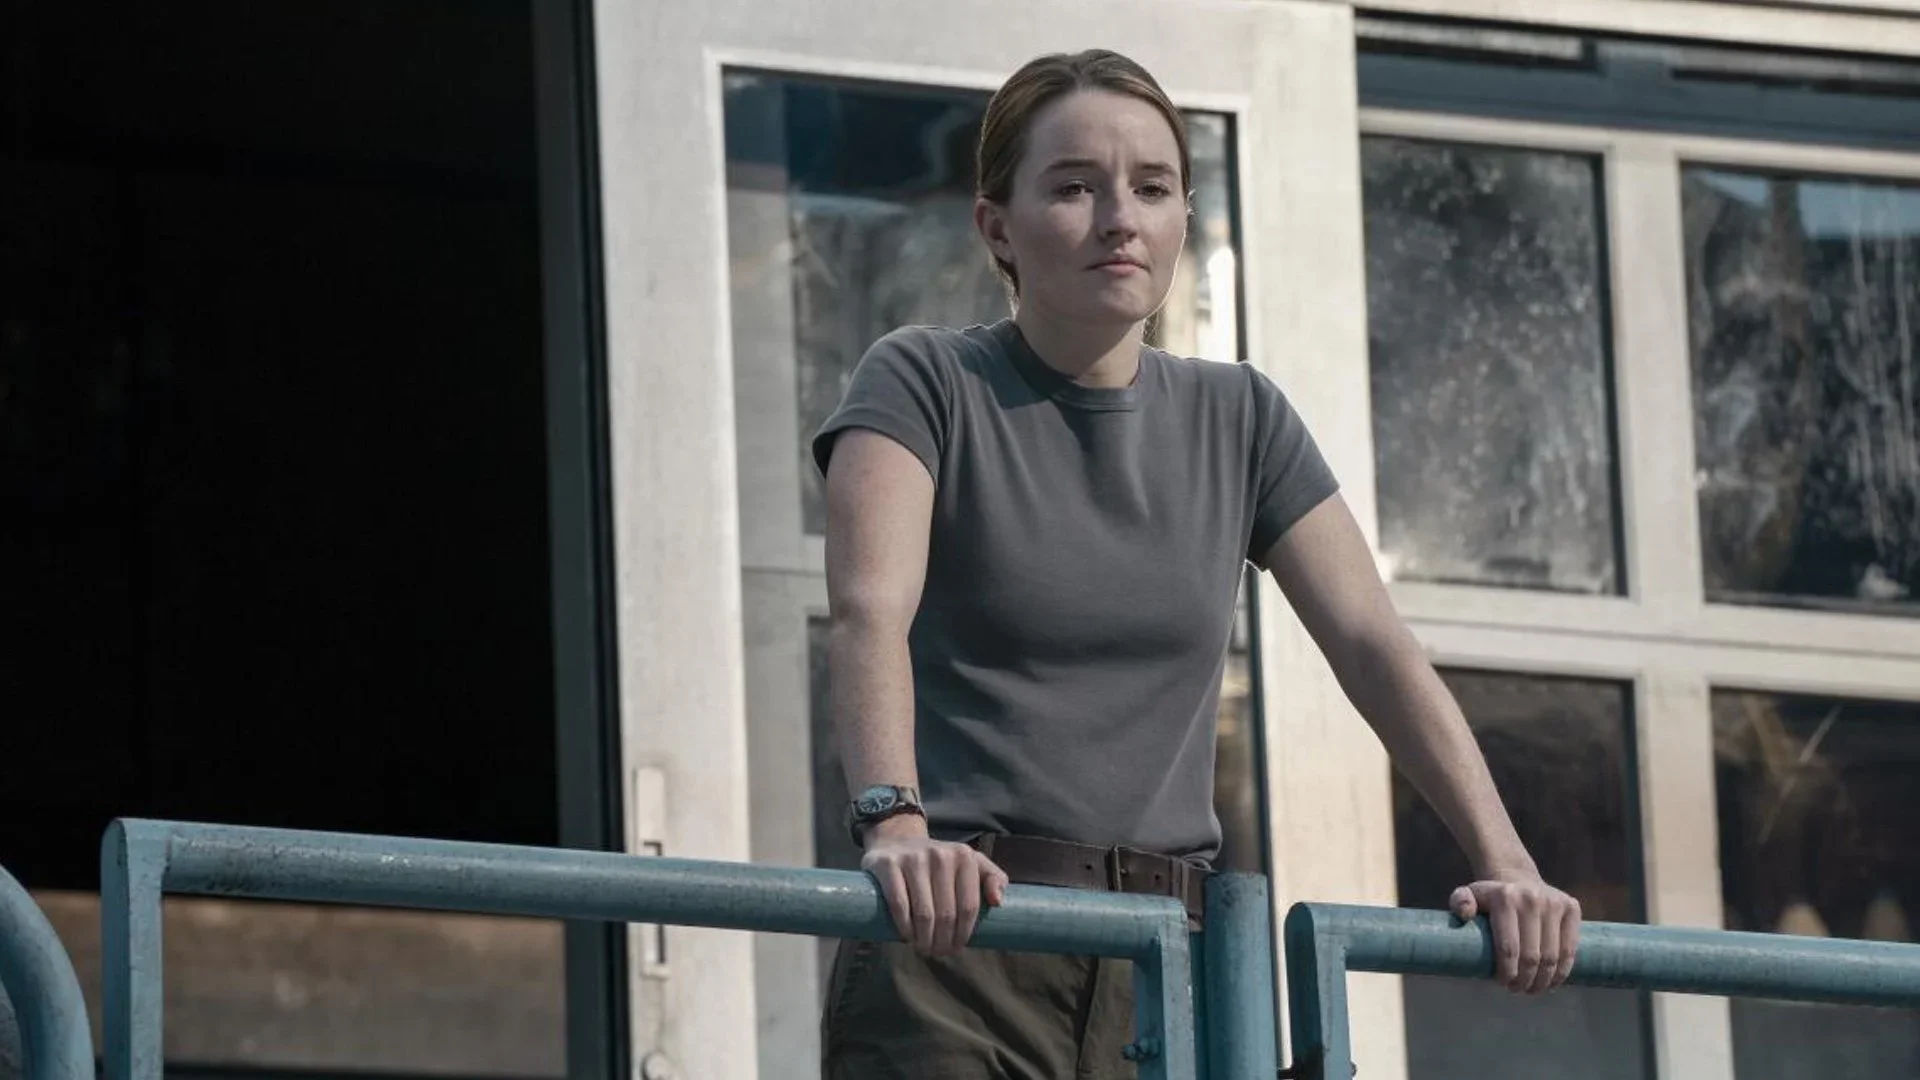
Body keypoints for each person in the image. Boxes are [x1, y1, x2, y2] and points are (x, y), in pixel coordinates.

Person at [811, 48, 1582, 1080]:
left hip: (1166, 968)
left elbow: (1373, 644)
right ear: (996, 226)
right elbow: (869, 613)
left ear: (1183, 216)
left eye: (1152, 187)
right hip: (960, 942)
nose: (1119, 219)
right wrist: (895, 827)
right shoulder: (923, 378)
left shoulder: (1242, 416)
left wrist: (1508, 863)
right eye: (1074, 187)